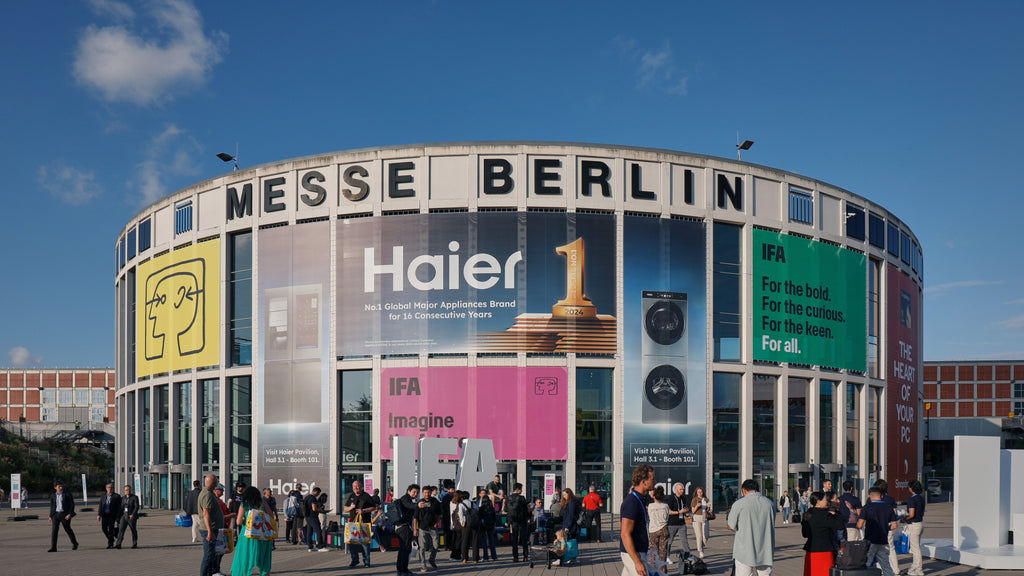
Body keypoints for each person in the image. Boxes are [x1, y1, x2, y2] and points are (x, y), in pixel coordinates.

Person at [727, 479, 776, 576]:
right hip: (765, 549)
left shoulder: (739, 504)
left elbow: (730, 526)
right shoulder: (770, 504)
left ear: (744, 490)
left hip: (744, 550)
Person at [231, 486, 274, 576]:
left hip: (247, 533)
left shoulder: (244, 504)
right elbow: (271, 517)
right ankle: (265, 573)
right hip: (261, 533)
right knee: (263, 556)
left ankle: (245, 573)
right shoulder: (263, 503)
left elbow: (238, 522)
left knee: (245, 555)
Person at [621, 464, 654, 576]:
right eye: (652, 479)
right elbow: (625, 534)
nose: (654, 482)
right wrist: (637, 561)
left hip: (639, 551)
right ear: (643, 482)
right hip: (634, 553)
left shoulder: (641, 500)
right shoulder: (632, 502)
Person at [801, 491, 845, 576]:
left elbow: (805, 534)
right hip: (824, 551)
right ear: (818, 501)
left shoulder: (808, 514)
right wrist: (835, 513)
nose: (827, 502)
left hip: (811, 550)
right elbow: (840, 525)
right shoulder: (824, 515)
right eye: (825, 500)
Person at [857, 486, 898, 576]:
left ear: (870, 496)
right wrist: (885, 528)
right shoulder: (888, 507)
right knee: (886, 565)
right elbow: (894, 525)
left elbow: (860, 525)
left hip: (870, 540)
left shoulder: (867, 508)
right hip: (883, 540)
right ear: (881, 496)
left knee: (866, 564)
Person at [198, 474, 225, 576]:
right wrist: (210, 531)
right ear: (214, 483)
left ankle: (209, 573)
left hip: (212, 528)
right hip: (209, 529)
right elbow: (206, 513)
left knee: (211, 554)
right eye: (217, 481)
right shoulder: (207, 494)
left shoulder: (209, 493)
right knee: (209, 555)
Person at [343, 479, 375, 566]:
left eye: (358, 486)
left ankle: (367, 561)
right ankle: (355, 560)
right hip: (353, 524)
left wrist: (363, 510)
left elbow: (373, 507)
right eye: (354, 487)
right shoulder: (351, 496)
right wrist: (351, 507)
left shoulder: (366, 496)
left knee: (365, 543)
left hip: (365, 524)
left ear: (361, 487)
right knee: (352, 542)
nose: (356, 488)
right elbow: (345, 508)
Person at [875, 479, 901, 576]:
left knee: (878, 548)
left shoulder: (873, 499)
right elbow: (894, 513)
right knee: (891, 547)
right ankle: (896, 569)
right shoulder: (891, 499)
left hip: (877, 527)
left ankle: (880, 569)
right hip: (889, 526)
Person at [395, 484, 421, 576]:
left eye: (417, 492)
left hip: (404, 527)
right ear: (408, 491)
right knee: (405, 548)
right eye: (414, 492)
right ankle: (402, 570)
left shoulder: (409, 499)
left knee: (406, 548)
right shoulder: (405, 498)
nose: (415, 494)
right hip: (403, 527)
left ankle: (403, 569)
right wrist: (418, 505)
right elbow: (409, 505)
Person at [415, 485, 441, 571]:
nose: (427, 494)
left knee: (436, 545)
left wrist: (437, 522)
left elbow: (439, 514)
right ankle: (423, 564)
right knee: (422, 547)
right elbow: (415, 517)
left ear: (431, 492)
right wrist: (415, 529)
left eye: (429, 492)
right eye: (425, 492)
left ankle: (432, 559)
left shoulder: (435, 502)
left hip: (433, 527)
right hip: (422, 527)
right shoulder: (420, 503)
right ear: (423, 493)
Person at [48, 480, 78, 552]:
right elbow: (52, 506)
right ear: (55, 487)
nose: (61, 487)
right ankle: (53, 547)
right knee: (54, 530)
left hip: (64, 514)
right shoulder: (53, 495)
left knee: (67, 529)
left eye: (61, 486)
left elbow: (72, 504)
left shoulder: (67, 494)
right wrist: (50, 516)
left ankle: (75, 543)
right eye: (59, 486)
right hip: (55, 514)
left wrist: (70, 514)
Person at [903, 480, 926, 576]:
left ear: (911, 488)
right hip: (920, 523)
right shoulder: (921, 498)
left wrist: (903, 518)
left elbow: (911, 514)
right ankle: (914, 567)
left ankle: (918, 569)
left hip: (914, 525)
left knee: (915, 548)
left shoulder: (912, 500)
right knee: (916, 547)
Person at [667, 482, 692, 562]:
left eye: (683, 489)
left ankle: (688, 556)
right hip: (672, 523)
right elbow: (669, 511)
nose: (682, 491)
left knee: (684, 540)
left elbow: (684, 509)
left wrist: (686, 513)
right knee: (669, 541)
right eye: (681, 489)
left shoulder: (683, 498)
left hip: (682, 523)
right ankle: (667, 556)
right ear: (676, 490)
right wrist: (679, 512)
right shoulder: (671, 498)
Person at [506, 483, 530, 563]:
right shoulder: (522, 498)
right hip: (522, 521)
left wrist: (508, 521)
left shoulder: (508, 498)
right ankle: (525, 556)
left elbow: (508, 511)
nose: (522, 490)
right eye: (521, 489)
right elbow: (526, 510)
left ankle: (515, 557)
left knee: (515, 540)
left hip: (514, 521)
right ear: (518, 489)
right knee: (524, 539)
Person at [647, 485, 670, 566]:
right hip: (664, 529)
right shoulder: (666, 506)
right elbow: (667, 516)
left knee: (654, 553)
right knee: (663, 553)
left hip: (653, 530)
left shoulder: (650, 506)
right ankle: (663, 572)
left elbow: (649, 516)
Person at [97, 482, 122, 549]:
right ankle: (111, 539)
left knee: (111, 529)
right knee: (104, 528)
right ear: (106, 488)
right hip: (104, 514)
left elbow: (119, 507)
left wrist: (118, 516)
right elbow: (100, 505)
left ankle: (110, 543)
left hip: (112, 515)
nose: (110, 489)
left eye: (111, 488)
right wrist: (99, 514)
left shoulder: (117, 496)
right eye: (109, 487)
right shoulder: (103, 496)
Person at [114, 484, 140, 549]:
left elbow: (136, 507)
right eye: (126, 490)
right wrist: (118, 517)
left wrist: (133, 514)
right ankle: (118, 543)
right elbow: (120, 508)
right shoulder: (123, 498)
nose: (127, 491)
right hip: (124, 515)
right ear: (124, 491)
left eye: (128, 490)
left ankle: (134, 543)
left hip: (131, 516)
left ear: (130, 490)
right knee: (121, 529)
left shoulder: (134, 497)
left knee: (133, 530)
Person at [477, 488, 498, 561]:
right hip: (490, 525)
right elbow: (494, 517)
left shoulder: (481, 508)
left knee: (484, 542)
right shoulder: (491, 507)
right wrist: (494, 525)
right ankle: (494, 556)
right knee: (491, 541)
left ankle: (485, 557)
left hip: (483, 526)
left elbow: (479, 516)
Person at [304, 487, 327, 552]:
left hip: (307, 516)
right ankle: (320, 546)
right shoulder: (313, 498)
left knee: (309, 531)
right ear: (316, 492)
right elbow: (314, 508)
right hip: (313, 516)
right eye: (318, 493)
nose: (318, 495)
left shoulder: (307, 497)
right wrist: (321, 511)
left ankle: (310, 546)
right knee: (318, 531)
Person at [690, 486, 710, 559]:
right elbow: (693, 511)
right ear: (696, 493)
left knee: (706, 536)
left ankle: (701, 546)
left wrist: (709, 507)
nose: (700, 493)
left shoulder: (706, 499)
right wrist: (697, 506)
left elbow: (709, 510)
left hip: (705, 517)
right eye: (698, 492)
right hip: (697, 517)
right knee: (699, 536)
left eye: (701, 492)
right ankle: (700, 551)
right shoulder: (695, 499)